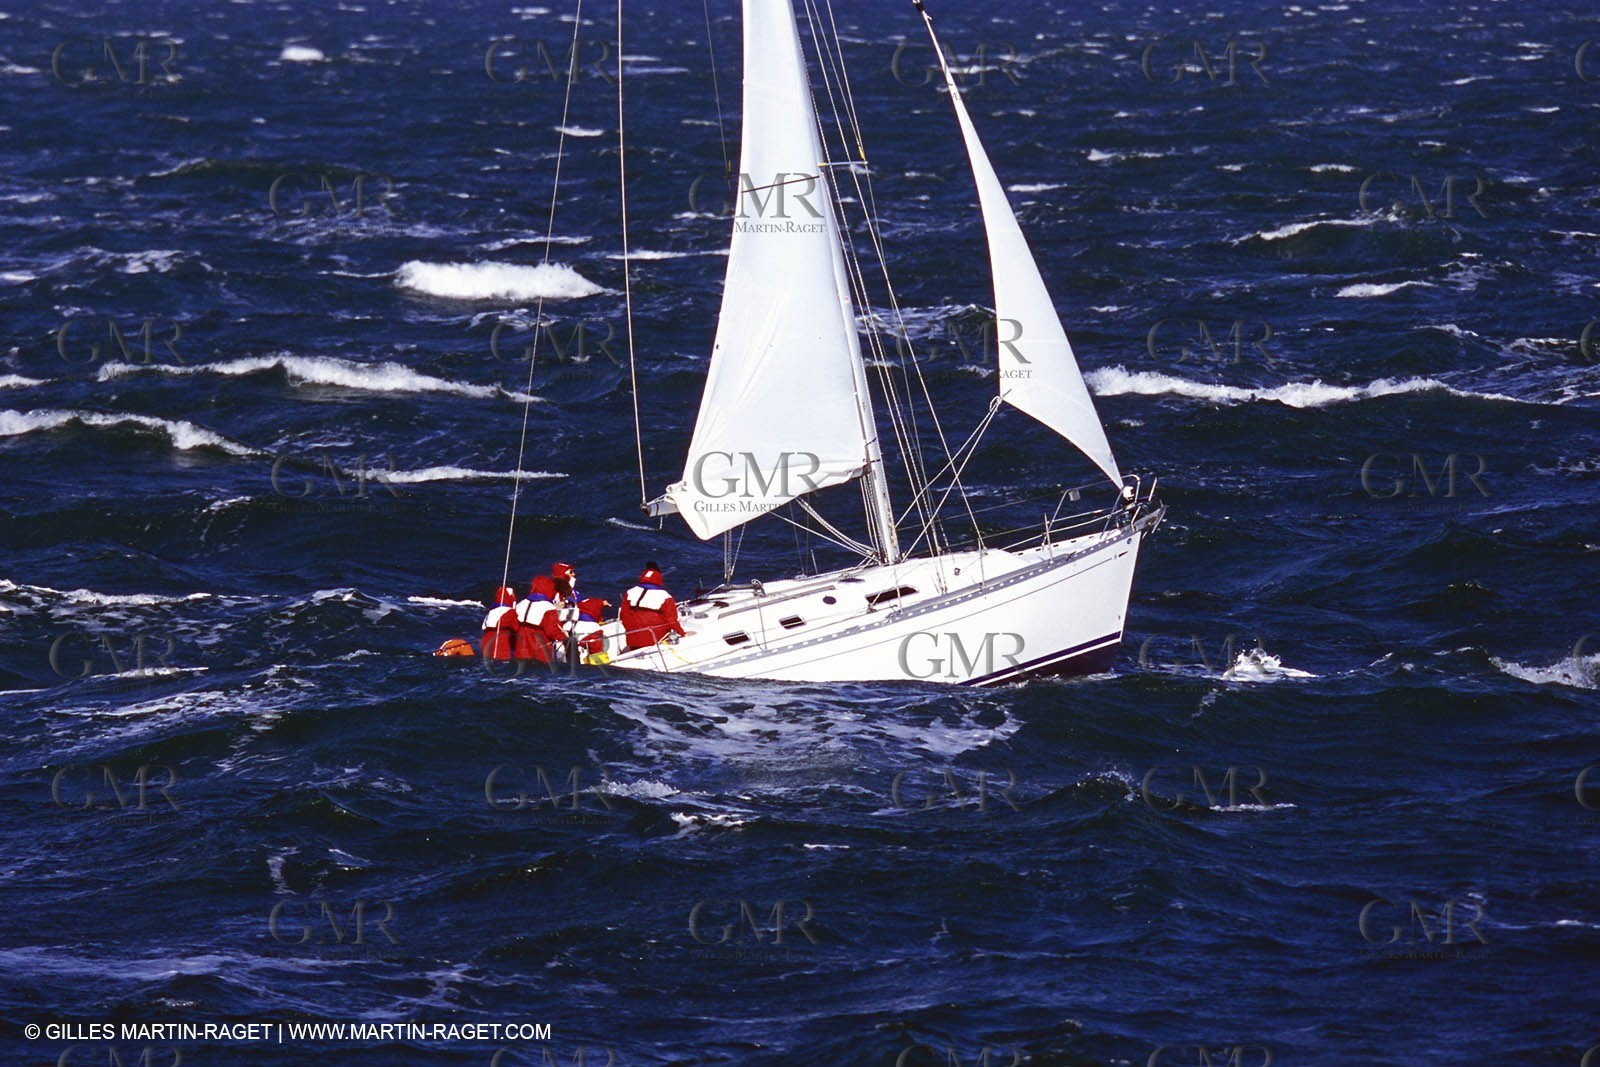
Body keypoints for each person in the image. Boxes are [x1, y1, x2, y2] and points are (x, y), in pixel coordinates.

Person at [620, 561, 689, 650]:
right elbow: (671, 621)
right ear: (659, 578)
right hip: (655, 640)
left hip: (632, 640)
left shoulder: (630, 592)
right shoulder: (665, 596)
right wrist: (683, 633)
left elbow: (623, 616)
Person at [514, 574, 569, 663]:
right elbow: (551, 630)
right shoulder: (548, 607)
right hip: (539, 643)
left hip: (521, 643)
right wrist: (564, 638)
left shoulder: (521, 604)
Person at [480, 585, 521, 661]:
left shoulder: (490, 612)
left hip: (486, 645)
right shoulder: (510, 612)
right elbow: (516, 628)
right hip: (502, 645)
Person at [570, 597, 611, 664]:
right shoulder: (594, 628)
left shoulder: (576, 624)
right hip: (592, 630)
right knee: (597, 649)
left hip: (578, 632)